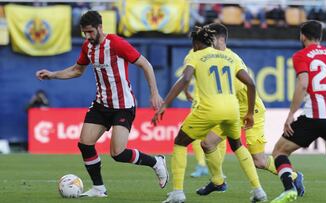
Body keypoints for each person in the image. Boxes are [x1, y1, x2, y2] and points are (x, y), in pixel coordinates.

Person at [35, 10, 168, 198]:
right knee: (85, 144)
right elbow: (77, 70)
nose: (87, 36)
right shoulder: (87, 47)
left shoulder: (116, 44)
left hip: (123, 106)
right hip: (101, 104)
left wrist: (154, 93)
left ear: (100, 27)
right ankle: (99, 188)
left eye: (90, 32)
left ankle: (156, 161)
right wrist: (52, 74)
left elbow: (145, 64)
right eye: (84, 33)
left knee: (118, 153)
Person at [186, 23, 303, 199]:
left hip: (251, 110)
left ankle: (294, 176)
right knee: (207, 143)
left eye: (211, 39)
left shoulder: (231, 58)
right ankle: (218, 181)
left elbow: (250, 85)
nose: (208, 42)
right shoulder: (213, 57)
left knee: (259, 161)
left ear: (220, 40)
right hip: (231, 111)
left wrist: (249, 112)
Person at [152, 25, 260, 203]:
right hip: (233, 109)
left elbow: (185, 78)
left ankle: (178, 192)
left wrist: (165, 105)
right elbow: (251, 83)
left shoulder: (195, 55)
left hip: (209, 107)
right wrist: (249, 112)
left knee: (180, 142)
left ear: (195, 43)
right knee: (236, 145)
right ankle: (257, 190)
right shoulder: (229, 55)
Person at [271, 20, 326, 203]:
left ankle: (289, 189)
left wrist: (290, 115)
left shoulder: (302, 55)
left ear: (302, 35)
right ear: (320, 36)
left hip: (314, 116)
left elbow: (303, 84)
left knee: (279, 152)